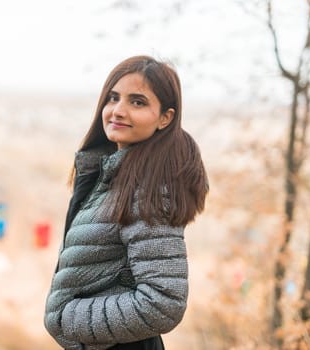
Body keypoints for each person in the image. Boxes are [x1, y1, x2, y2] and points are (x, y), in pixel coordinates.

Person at [43, 55, 209, 350]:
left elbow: (163, 302)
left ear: (165, 118)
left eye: (138, 102)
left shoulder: (148, 189)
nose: (118, 111)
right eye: (113, 98)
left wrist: (68, 316)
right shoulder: (108, 176)